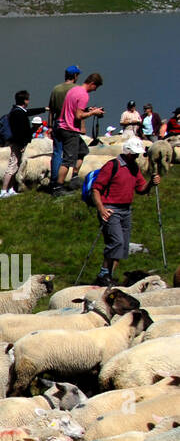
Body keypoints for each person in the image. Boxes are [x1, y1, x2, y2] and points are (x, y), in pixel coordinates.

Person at [90, 136, 161, 287]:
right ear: (127, 151)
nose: (136, 156)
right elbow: (96, 188)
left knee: (122, 246)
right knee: (116, 241)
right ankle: (103, 273)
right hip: (111, 208)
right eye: (134, 153)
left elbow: (140, 188)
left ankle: (109, 276)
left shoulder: (134, 167)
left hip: (126, 209)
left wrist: (150, 184)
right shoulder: (112, 166)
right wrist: (101, 209)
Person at [54, 71, 106, 194]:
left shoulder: (73, 90)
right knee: (68, 160)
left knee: (82, 151)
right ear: (92, 84)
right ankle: (58, 187)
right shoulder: (84, 95)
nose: (95, 90)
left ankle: (74, 178)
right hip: (70, 129)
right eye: (96, 87)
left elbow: (74, 109)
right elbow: (78, 116)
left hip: (62, 125)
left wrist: (88, 109)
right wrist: (94, 113)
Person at [0, 90, 47, 198]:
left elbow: (29, 112)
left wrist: (44, 109)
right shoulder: (18, 113)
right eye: (28, 99)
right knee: (12, 167)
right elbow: (21, 131)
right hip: (18, 143)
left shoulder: (18, 111)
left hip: (18, 142)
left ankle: (10, 189)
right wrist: (23, 142)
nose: (29, 101)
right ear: (25, 100)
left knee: (15, 166)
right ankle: (3, 191)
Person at [47, 66, 80, 188]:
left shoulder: (56, 89)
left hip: (57, 124)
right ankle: (67, 181)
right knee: (70, 154)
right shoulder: (77, 89)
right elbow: (78, 110)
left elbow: (51, 110)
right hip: (71, 125)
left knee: (57, 153)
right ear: (75, 76)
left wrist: (50, 126)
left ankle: (54, 180)